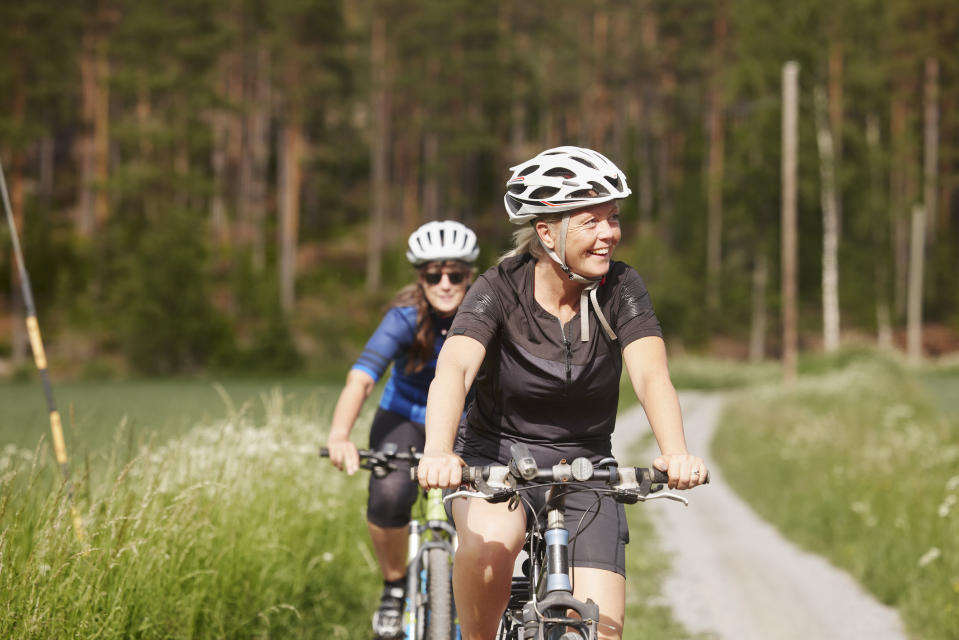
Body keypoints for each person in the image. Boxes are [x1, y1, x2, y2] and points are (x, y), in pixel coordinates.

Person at [415, 146, 708, 640]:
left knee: (602, 631)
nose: (609, 234)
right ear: (547, 232)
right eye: (592, 222)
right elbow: (455, 369)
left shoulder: (622, 287)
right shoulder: (498, 287)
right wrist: (439, 451)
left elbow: (651, 374)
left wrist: (674, 452)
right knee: (488, 553)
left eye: (613, 219)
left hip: (587, 467)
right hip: (495, 458)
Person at [325, 219, 479, 638]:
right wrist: (340, 435)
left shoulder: (485, 314)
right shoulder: (403, 319)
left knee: (488, 503)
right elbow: (362, 378)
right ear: (420, 278)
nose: (445, 283)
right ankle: (394, 587)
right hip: (405, 416)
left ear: (470, 276)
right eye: (434, 275)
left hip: (468, 420)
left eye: (456, 275)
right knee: (391, 491)